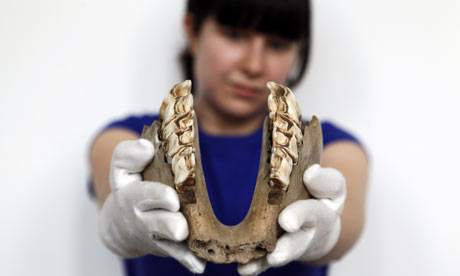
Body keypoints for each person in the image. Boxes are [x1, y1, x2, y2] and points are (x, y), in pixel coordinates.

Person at [89, 0, 368, 275]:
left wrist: (329, 235)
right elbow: (110, 191)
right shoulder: (126, 139)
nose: (253, 66)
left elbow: (349, 222)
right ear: (193, 32)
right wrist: (118, 223)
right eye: (234, 35)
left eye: (277, 44)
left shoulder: (335, 147)